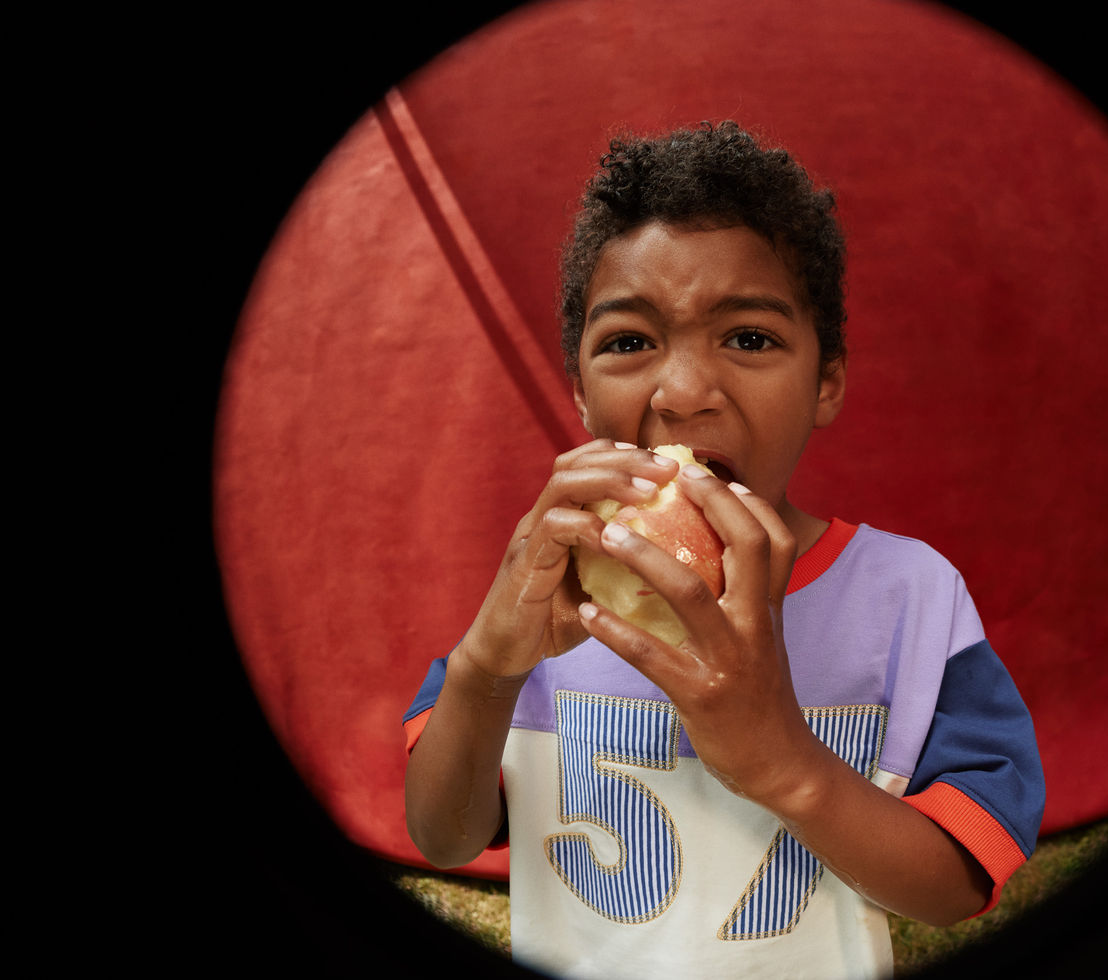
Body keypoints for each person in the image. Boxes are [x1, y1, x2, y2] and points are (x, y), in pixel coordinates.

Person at [402, 120, 1044, 979]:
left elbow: (958, 885)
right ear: (581, 395)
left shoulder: (910, 599)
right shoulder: (544, 592)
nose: (683, 393)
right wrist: (488, 666)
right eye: (628, 343)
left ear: (826, 382)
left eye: (747, 338)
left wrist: (785, 764)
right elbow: (443, 834)